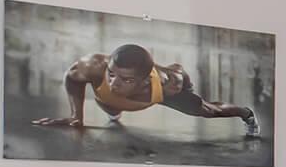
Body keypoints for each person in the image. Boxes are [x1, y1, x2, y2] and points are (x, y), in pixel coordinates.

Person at [32, 42, 259, 136]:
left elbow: (178, 70)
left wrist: (182, 83)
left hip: (154, 98)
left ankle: (246, 113)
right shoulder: (93, 66)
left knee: (210, 111)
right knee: (111, 109)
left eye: (126, 80)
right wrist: (76, 116)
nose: (113, 83)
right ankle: (115, 111)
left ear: (143, 80)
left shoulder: (165, 83)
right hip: (111, 102)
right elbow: (72, 78)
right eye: (111, 74)